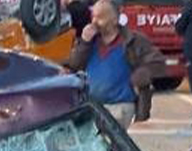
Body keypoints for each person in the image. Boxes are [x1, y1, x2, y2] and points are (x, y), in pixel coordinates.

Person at [66, 0, 165, 128]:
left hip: (120, 107)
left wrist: (142, 75)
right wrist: (84, 43)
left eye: (100, 18)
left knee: (109, 139)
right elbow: (74, 64)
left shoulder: (133, 41)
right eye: (93, 16)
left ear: (114, 20)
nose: (95, 22)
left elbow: (158, 62)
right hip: (92, 105)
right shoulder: (90, 41)